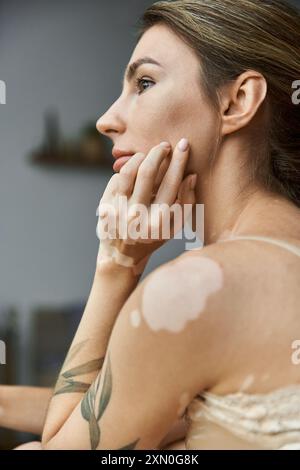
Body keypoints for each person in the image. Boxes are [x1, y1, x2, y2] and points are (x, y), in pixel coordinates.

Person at [9, 0, 300, 449]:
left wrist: (117, 264)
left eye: (144, 82)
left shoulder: (195, 291)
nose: (106, 121)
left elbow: (59, 443)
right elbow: (139, 400)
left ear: (237, 102)